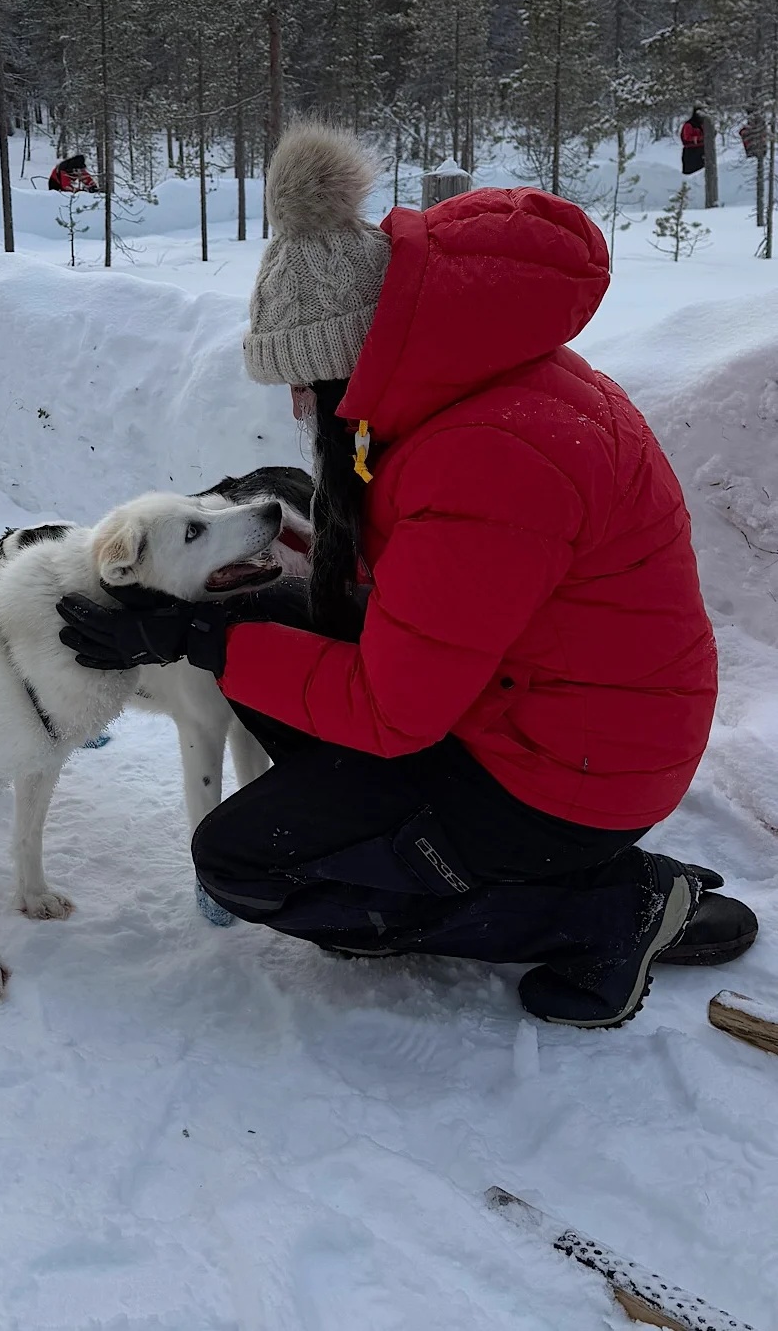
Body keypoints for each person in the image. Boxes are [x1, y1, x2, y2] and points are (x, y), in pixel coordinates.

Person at [56, 123, 757, 1030]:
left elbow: (395, 709)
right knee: (266, 617)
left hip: (563, 775)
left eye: (308, 383)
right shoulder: (476, 391)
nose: (300, 405)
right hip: (550, 720)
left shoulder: (488, 455)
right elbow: (429, 605)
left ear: (361, 356)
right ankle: (537, 869)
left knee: (242, 862)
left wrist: (191, 635)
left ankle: (604, 909)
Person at [680, 107, 707, 176]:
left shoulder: (702, 124)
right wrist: (699, 138)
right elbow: (687, 137)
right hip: (691, 152)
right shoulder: (689, 125)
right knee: (690, 174)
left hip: (701, 151)